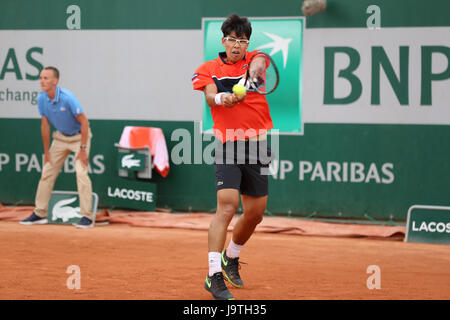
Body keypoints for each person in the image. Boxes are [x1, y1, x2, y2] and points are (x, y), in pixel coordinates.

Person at [192, 14, 273, 300]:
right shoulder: (208, 69)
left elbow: (261, 64)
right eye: (232, 40)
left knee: (255, 214)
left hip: (258, 146)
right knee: (226, 208)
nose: (237, 45)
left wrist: (250, 78)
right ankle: (214, 275)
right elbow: (209, 95)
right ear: (223, 40)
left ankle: (231, 257)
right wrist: (222, 98)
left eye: (243, 40)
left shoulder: (256, 58)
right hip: (228, 145)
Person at [20, 66, 94, 229]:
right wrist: (46, 152)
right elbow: (45, 125)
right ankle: (39, 213)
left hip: (78, 137)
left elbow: (84, 122)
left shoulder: (68, 98)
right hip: (60, 138)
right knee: (47, 172)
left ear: (55, 81)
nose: (42, 81)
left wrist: (82, 149)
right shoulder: (41, 99)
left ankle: (86, 217)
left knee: (81, 174)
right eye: (41, 78)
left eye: (46, 78)